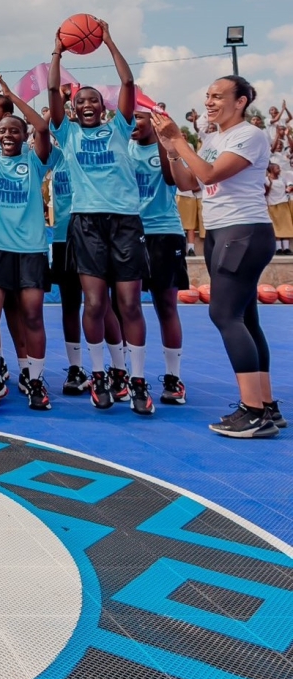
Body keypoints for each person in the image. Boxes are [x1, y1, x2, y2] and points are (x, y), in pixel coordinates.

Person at [154, 77, 281, 438]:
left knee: (224, 314)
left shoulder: (249, 135)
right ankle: (265, 405)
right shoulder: (212, 139)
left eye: (218, 96)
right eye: (207, 95)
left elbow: (210, 173)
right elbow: (189, 184)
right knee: (246, 318)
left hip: (243, 231)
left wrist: (180, 138)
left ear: (240, 102)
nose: (209, 102)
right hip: (222, 231)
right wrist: (172, 149)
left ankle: (253, 412)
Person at [49, 18, 154, 415]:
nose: (87, 106)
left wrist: (108, 40)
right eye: (81, 103)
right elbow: (51, 91)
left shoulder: (120, 127)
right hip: (87, 222)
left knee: (129, 303)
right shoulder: (69, 134)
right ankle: (98, 375)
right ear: (73, 110)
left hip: (125, 221)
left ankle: (136, 378)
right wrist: (58, 51)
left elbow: (128, 85)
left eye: (93, 101)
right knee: (94, 304)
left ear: (103, 107)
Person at [0, 73, 53, 413]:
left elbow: (43, 129)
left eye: (14, 130)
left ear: (24, 136)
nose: (7, 135)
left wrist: (13, 99)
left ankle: (34, 379)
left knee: (32, 316)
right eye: (3, 131)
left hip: (31, 250)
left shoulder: (35, 161)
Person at [130, 110, 189, 406]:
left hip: (164, 233)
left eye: (138, 117)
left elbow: (173, 180)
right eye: (128, 117)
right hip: (128, 234)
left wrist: (168, 145)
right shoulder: (122, 147)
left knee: (166, 305)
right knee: (126, 307)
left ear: (152, 122)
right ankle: (132, 376)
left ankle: (173, 377)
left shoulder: (164, 148)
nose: (131, 123)